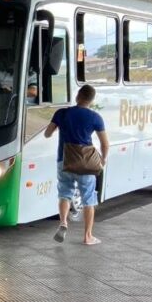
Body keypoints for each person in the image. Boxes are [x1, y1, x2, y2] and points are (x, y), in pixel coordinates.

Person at [45, 84, 109, 246]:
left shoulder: (62, 113)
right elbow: (105, 144)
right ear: (91, 100)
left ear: (78, 96)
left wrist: (61, 126)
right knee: (88, 199)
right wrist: (103, 160)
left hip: (64, 160)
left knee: (65, 194)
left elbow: (47, 134)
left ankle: (63, 223)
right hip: (85, 163)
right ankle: (88, 236)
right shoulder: (95, 117)